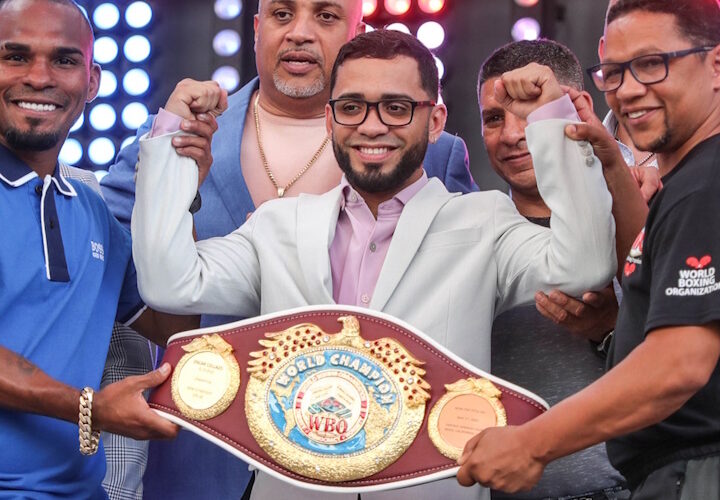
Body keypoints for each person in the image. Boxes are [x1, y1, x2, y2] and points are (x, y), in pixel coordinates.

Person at [131, 29, 616, 500]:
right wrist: (172, 147)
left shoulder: (482, 220)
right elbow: (169, 284)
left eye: (396, 108)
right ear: (330, 120)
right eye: (351, 107)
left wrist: (552, 121)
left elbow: (585, 265)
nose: (371, 125)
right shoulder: (277, 224)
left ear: (436, 121)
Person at [100, 1, 477, 498]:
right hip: (199, 457)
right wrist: (175, 324)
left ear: (358, 31)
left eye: (325, 16)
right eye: (282, 14)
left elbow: (465, 303)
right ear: (257, 29)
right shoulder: (174, 135)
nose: (300, 32)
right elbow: (106, 262)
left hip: (370, 463)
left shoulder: (432, 151)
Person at [457, 1, 720, 498]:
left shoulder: (703, 183)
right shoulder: (682, 187)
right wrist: (612, 166)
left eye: (652, 64)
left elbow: (678, 364)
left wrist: (531, 444)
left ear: (716, 65)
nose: (629, 89)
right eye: (614, 72)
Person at [0, 0, 197, 497]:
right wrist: (88, 407)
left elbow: (175, 326)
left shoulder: (90, 207)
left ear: (92, 82)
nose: (39, 77)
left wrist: (179, 186)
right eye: (15, 56)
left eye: (64, 60)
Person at [479, 39, 636, 500]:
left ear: (578, 107)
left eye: (530, 112)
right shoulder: (471, 232)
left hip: (628, 488)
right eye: (494, 118)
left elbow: (691, 367)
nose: (512, 134)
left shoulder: (645, 214)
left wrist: (611, 330)